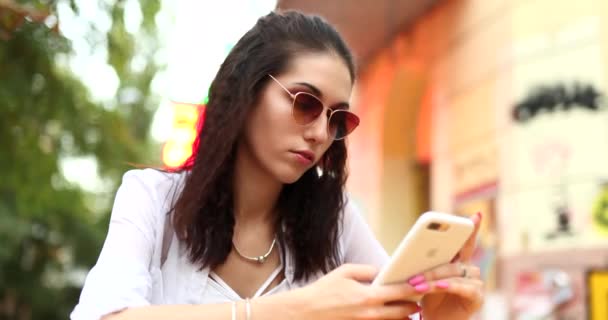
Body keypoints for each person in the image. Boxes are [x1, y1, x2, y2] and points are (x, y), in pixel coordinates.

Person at [71, 10, 484, 320]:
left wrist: (441, 315)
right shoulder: (154, 198)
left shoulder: (333, 218)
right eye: (305, 103)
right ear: (248, 93)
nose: (320, 132)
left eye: (337, 118)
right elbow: (105, 315)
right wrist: (294, 309)